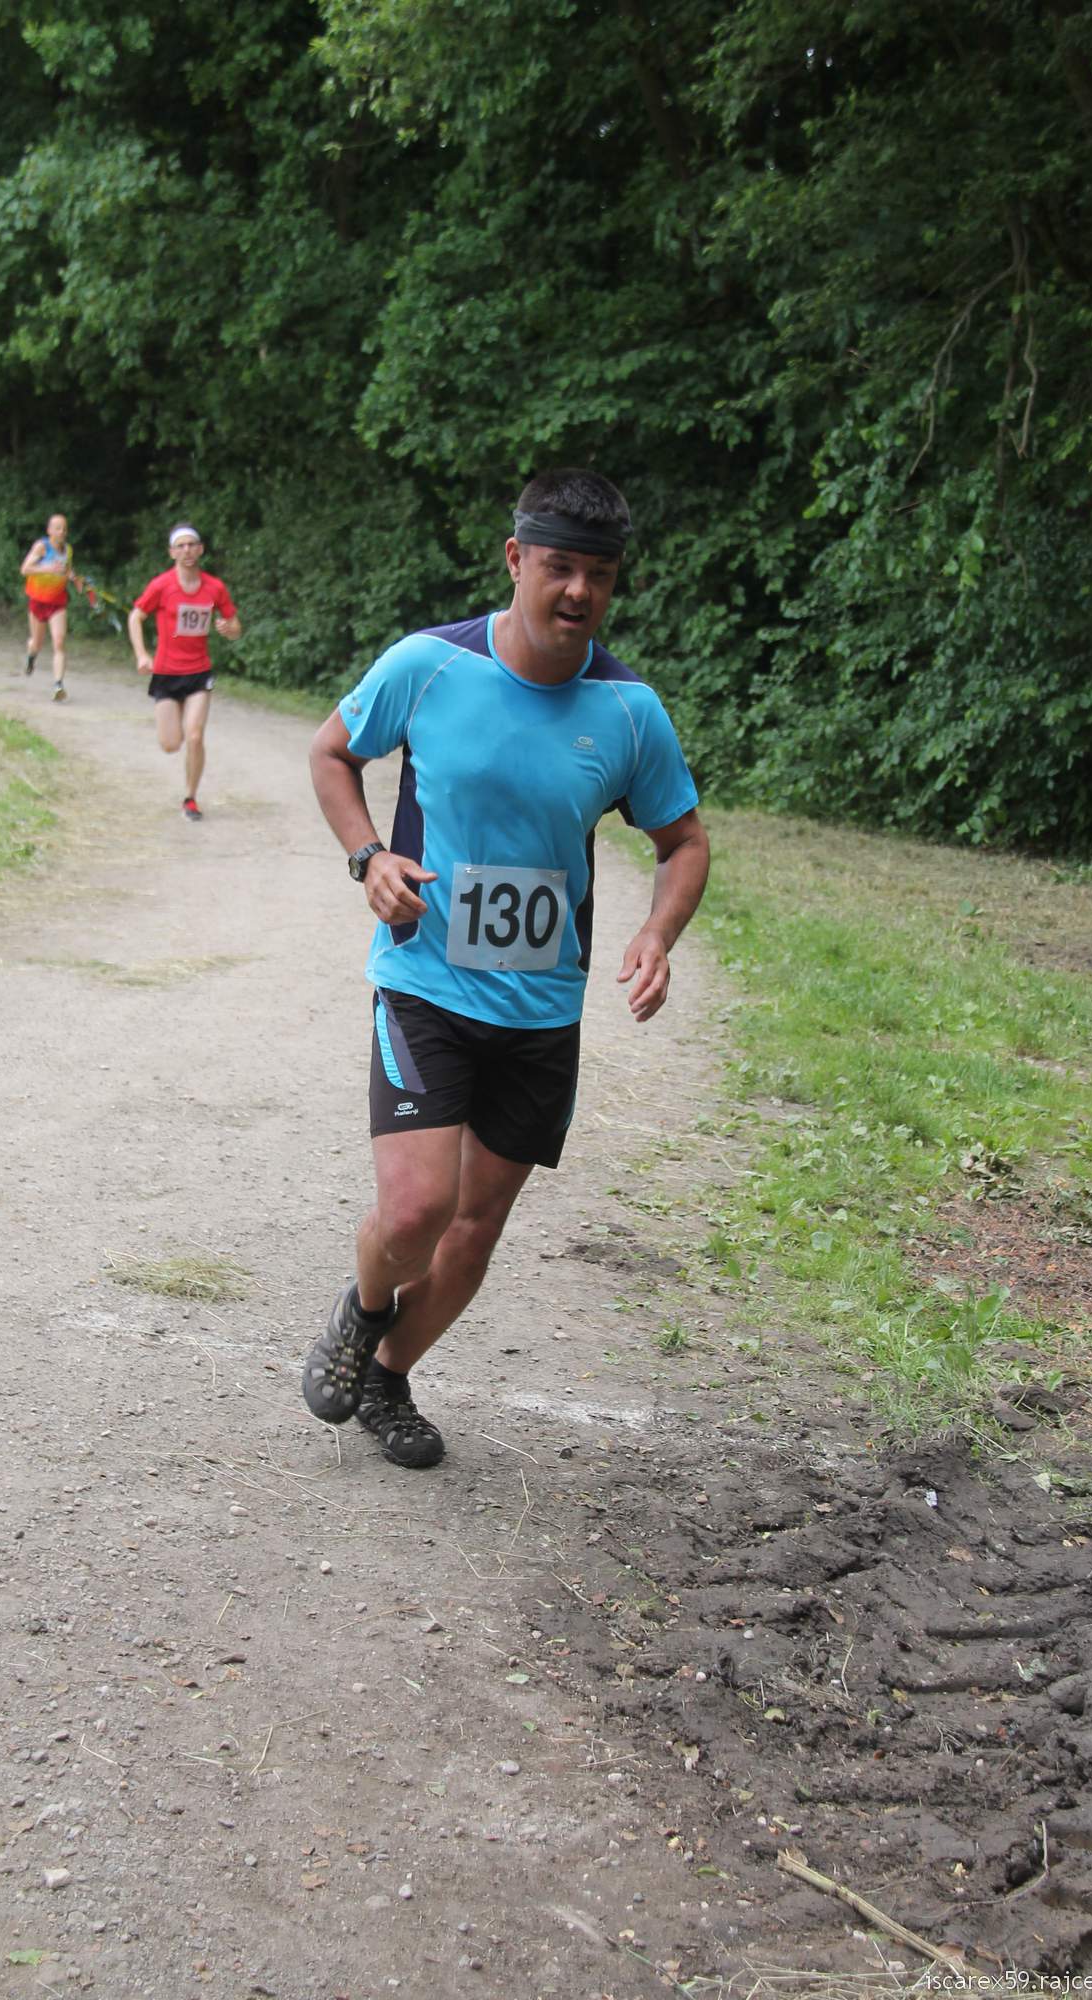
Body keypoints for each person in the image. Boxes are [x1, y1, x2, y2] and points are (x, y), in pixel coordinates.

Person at [303, 467, 710, 1470]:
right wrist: (369, 856)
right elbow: (331, 752)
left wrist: (657, 933)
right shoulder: (429, 665)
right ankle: (362, 1309)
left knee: (474, 1228)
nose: (578, 591)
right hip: (426, 984)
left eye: (598, 575)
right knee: (417, 1210)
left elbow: (683, 842)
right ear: (515, 558)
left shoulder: (627, 711)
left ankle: (387, 1376)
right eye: (559, 567)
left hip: (540, 1011)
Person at [128, 524, 242, 820]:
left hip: (198, 673)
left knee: (194, 736)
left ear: (201, 549)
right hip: (166, 673)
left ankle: (190, 798)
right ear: (172, 552)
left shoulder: (214, 587)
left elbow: (235, 626)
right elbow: (135, 617)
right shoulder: (161, 585)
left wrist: (228, 629)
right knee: (170, 744)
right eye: (181, 546)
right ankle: (178, 748)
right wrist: (142, 654)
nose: (187, 550)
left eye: (192, 545)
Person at [20, 513, 82, 700]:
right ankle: (31, 656)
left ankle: (58, 685)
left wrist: (75, 579)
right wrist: (47, 568)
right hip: (38, 601)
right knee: (36, 643)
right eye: (58, 528)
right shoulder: (42, 547)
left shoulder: (68, 550)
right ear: (49, 531)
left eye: (64, 528)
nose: (62, 532)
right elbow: (25, 569)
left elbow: (67, 569)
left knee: (59, 641)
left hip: (57, 602)